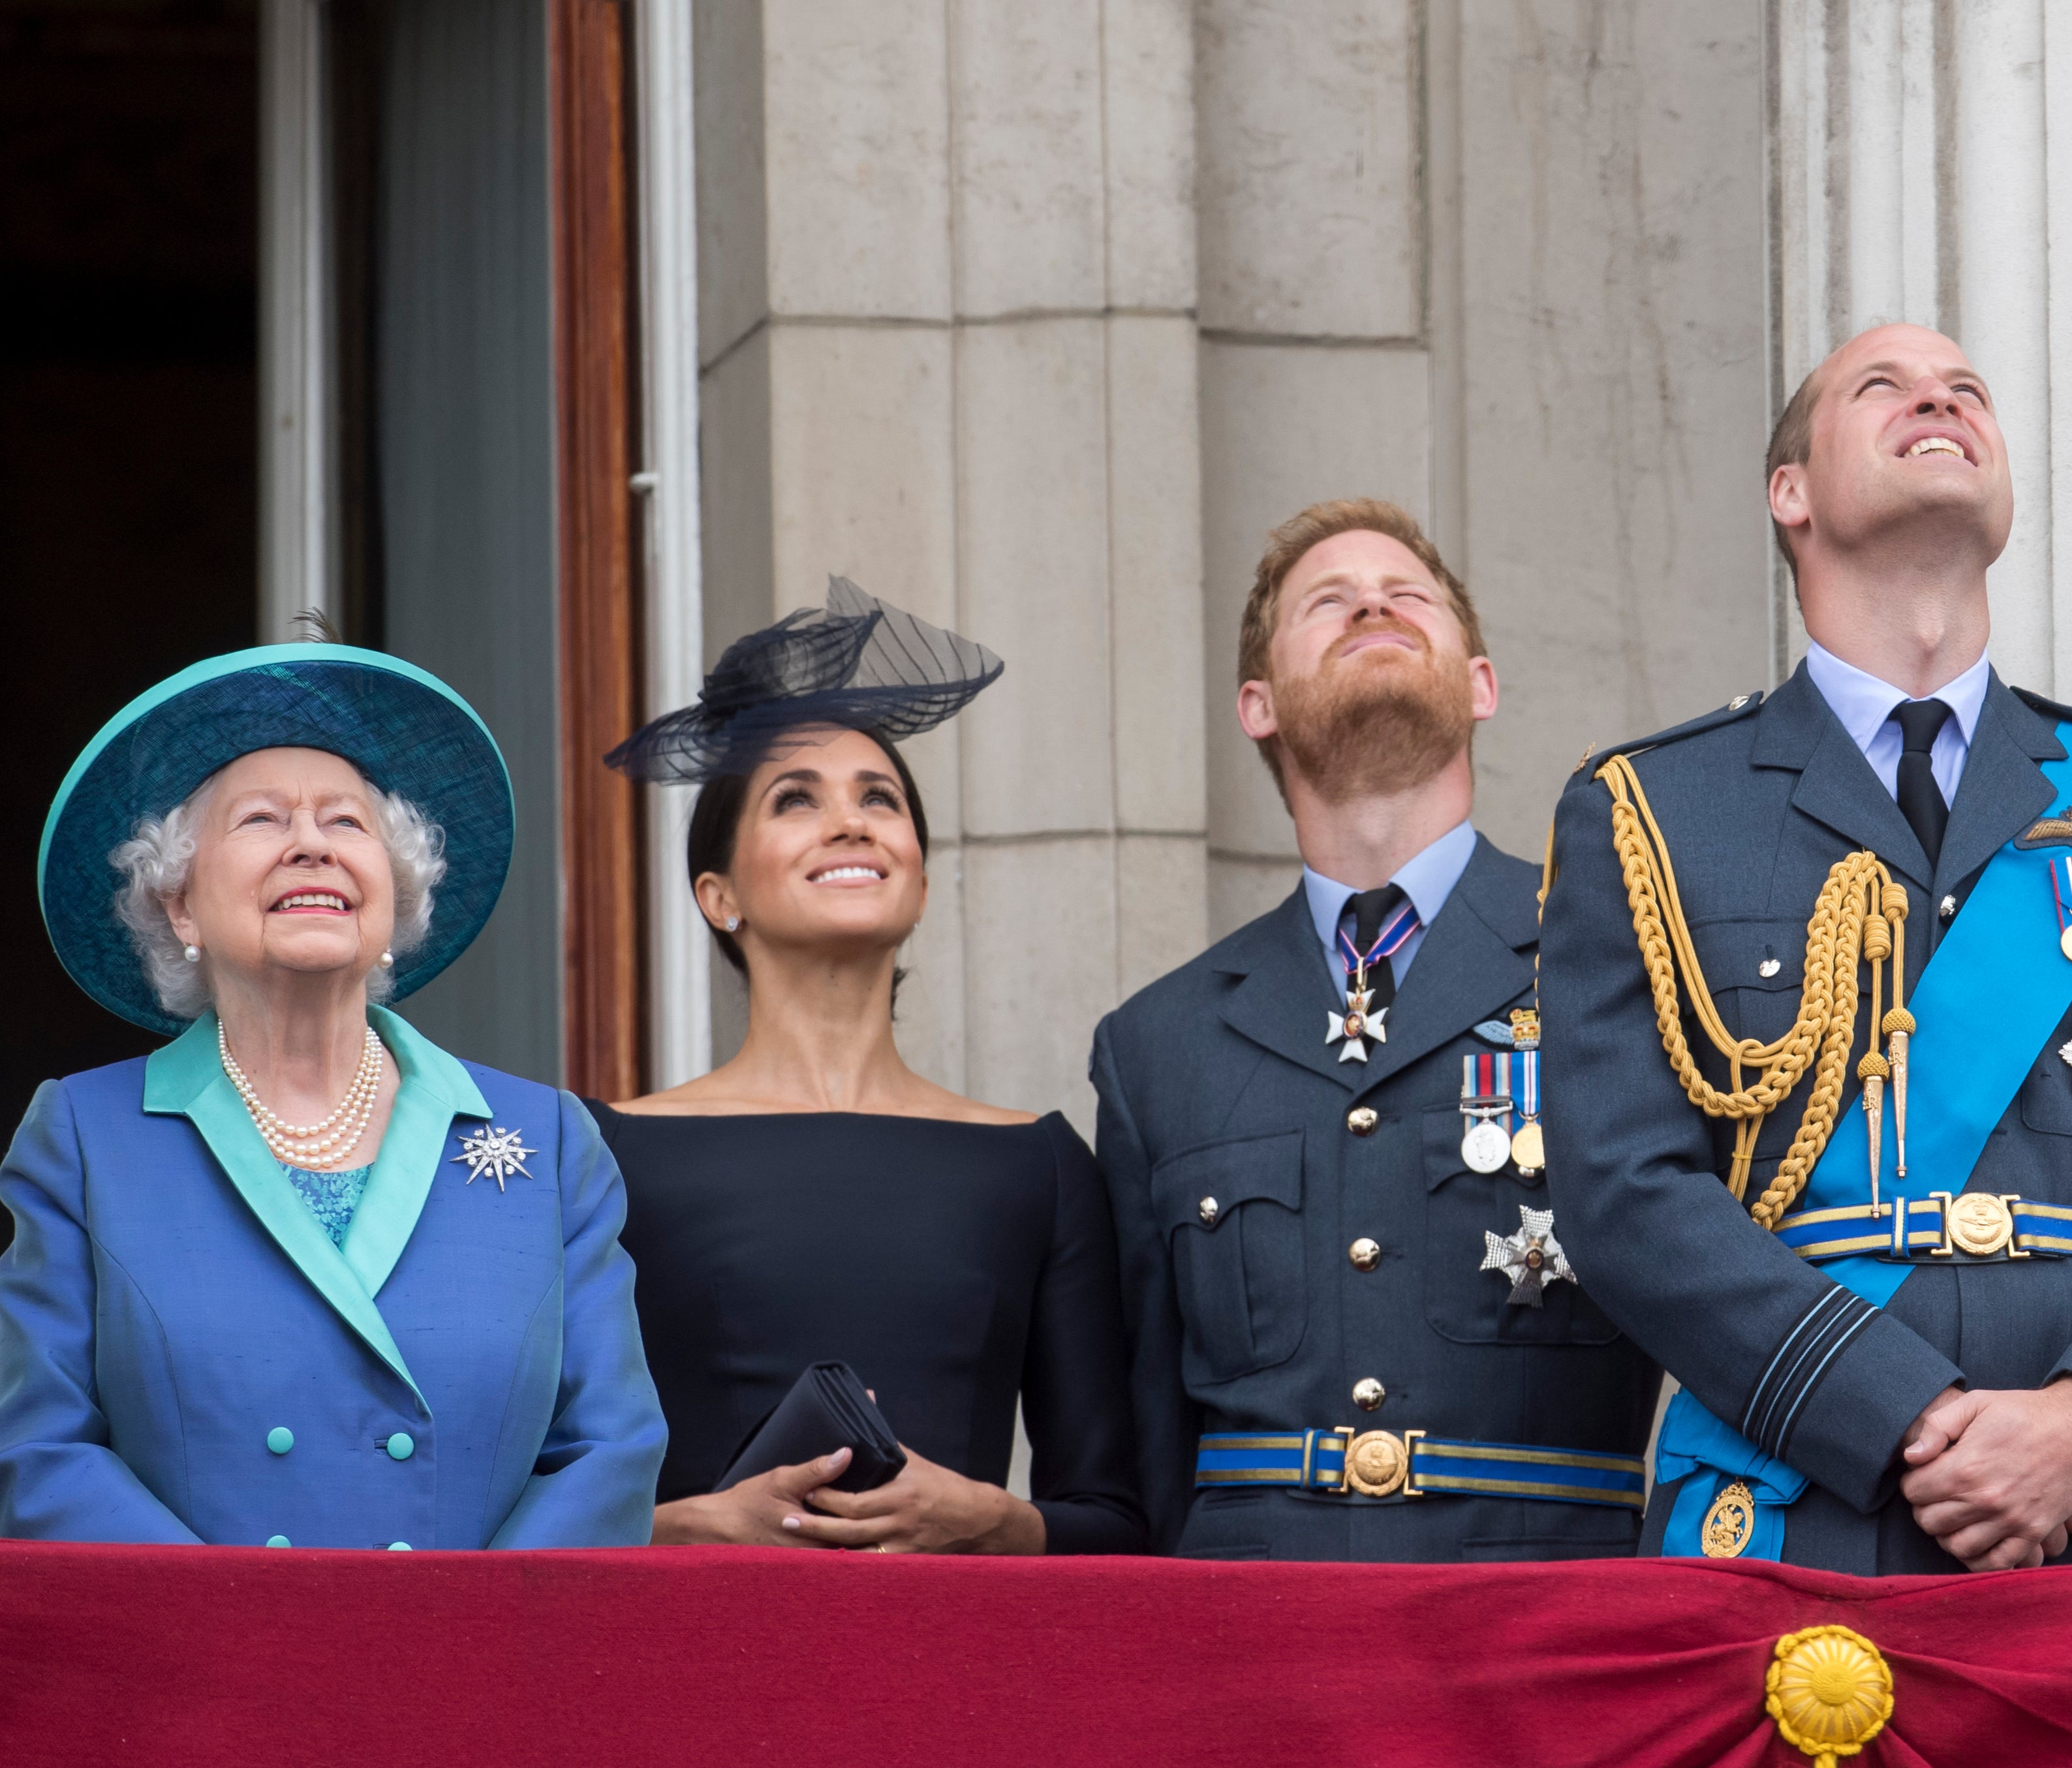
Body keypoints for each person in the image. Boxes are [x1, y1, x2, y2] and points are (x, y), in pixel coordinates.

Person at [1540, 324, 2072, 1572]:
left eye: (1967, 392)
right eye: (1881, 387)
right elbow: (1625, 1193)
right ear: (1789, 492)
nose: (1936, 399)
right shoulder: (1650, 810)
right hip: (1803, 1496)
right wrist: (1906, 1413)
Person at [1094, 499, 1663, 1560]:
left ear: (1481, 685)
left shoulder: (1622, 962)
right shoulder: (1157, 1044)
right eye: (1330, 601)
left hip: (1546, 1621)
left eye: (1410, 596)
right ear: (1257, 705)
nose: (1372, 603)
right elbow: (1146, 1448)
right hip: (1260, 1641)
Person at [0, 644, 665, 1547]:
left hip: (475, 1667)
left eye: (348, 823)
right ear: (179, 907)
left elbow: (610, 1450)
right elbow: (40, 1450)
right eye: (263, 820)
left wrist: (470, 1639)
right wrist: (249, 1638)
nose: (311, 843)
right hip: (204, 1669)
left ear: (395, 895)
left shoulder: (547, 1140)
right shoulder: (83, 1140)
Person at [598, 580, 1141, 1556]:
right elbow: (520, 1505)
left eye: (878, 799)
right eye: (795, 800)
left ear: (920, 879)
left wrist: (998, 1520)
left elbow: (1116, 1519)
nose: (850, 823)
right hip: (688, 1672)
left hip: (959, 1678)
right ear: (718, 895)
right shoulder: (605, 1154)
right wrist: (686, 1530)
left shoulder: (1043, 1165)